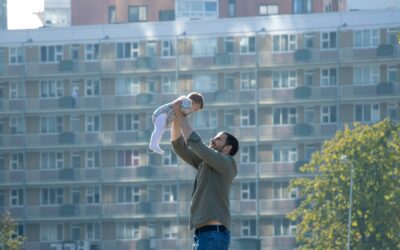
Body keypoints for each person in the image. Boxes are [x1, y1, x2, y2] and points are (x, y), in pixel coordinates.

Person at [170, 99, 239, 250]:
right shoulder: (206, 163)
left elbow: (196, 144)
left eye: (218, 139)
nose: (213, 139)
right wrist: (176, 118)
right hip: (203, 235)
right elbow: (179, 147)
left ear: (227, 148)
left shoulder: (228, 164)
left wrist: (182, 117)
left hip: (213, 235)